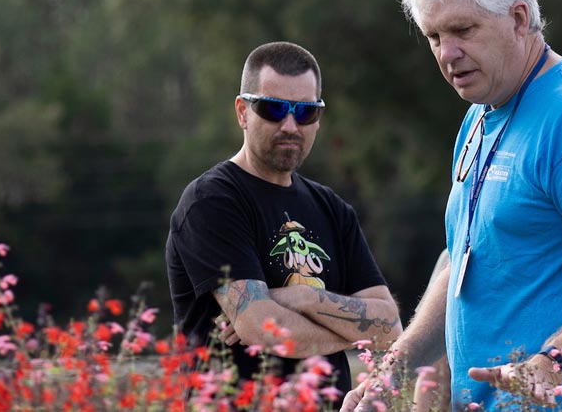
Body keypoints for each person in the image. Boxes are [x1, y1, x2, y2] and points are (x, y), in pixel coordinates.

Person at [344, 0, 562, 409]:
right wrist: (393, 372)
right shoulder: (480, 112)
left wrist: (550, 366)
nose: (448, 53)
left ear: (518, 18)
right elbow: (462, 258)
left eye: (463, 30)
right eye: (433, 36)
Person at [165, 41, 402, 392]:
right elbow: (261, 328)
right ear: (243, 112)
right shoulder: (212, 200)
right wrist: (352, 330)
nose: (291, 125)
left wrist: (300, 298)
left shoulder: (332, 209)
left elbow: (389, 328)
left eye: (306, 112)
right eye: (274, 109)